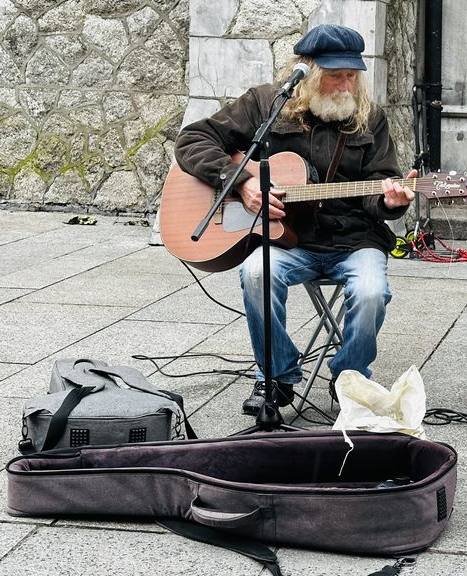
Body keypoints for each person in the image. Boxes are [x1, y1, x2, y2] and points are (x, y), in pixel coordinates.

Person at [174, 24, 415, 415]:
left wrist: (391, 203)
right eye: (335, 74)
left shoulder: (370, 118)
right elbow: (192, 140)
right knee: (255, 273)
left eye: (352, 75)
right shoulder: (264, 104)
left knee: (371, 291)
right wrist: (241, 184)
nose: (345, 84)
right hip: (288, 240)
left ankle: (350, 378)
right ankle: (276, 377)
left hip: (354, 240)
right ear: (307, 70)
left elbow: (378, 186)